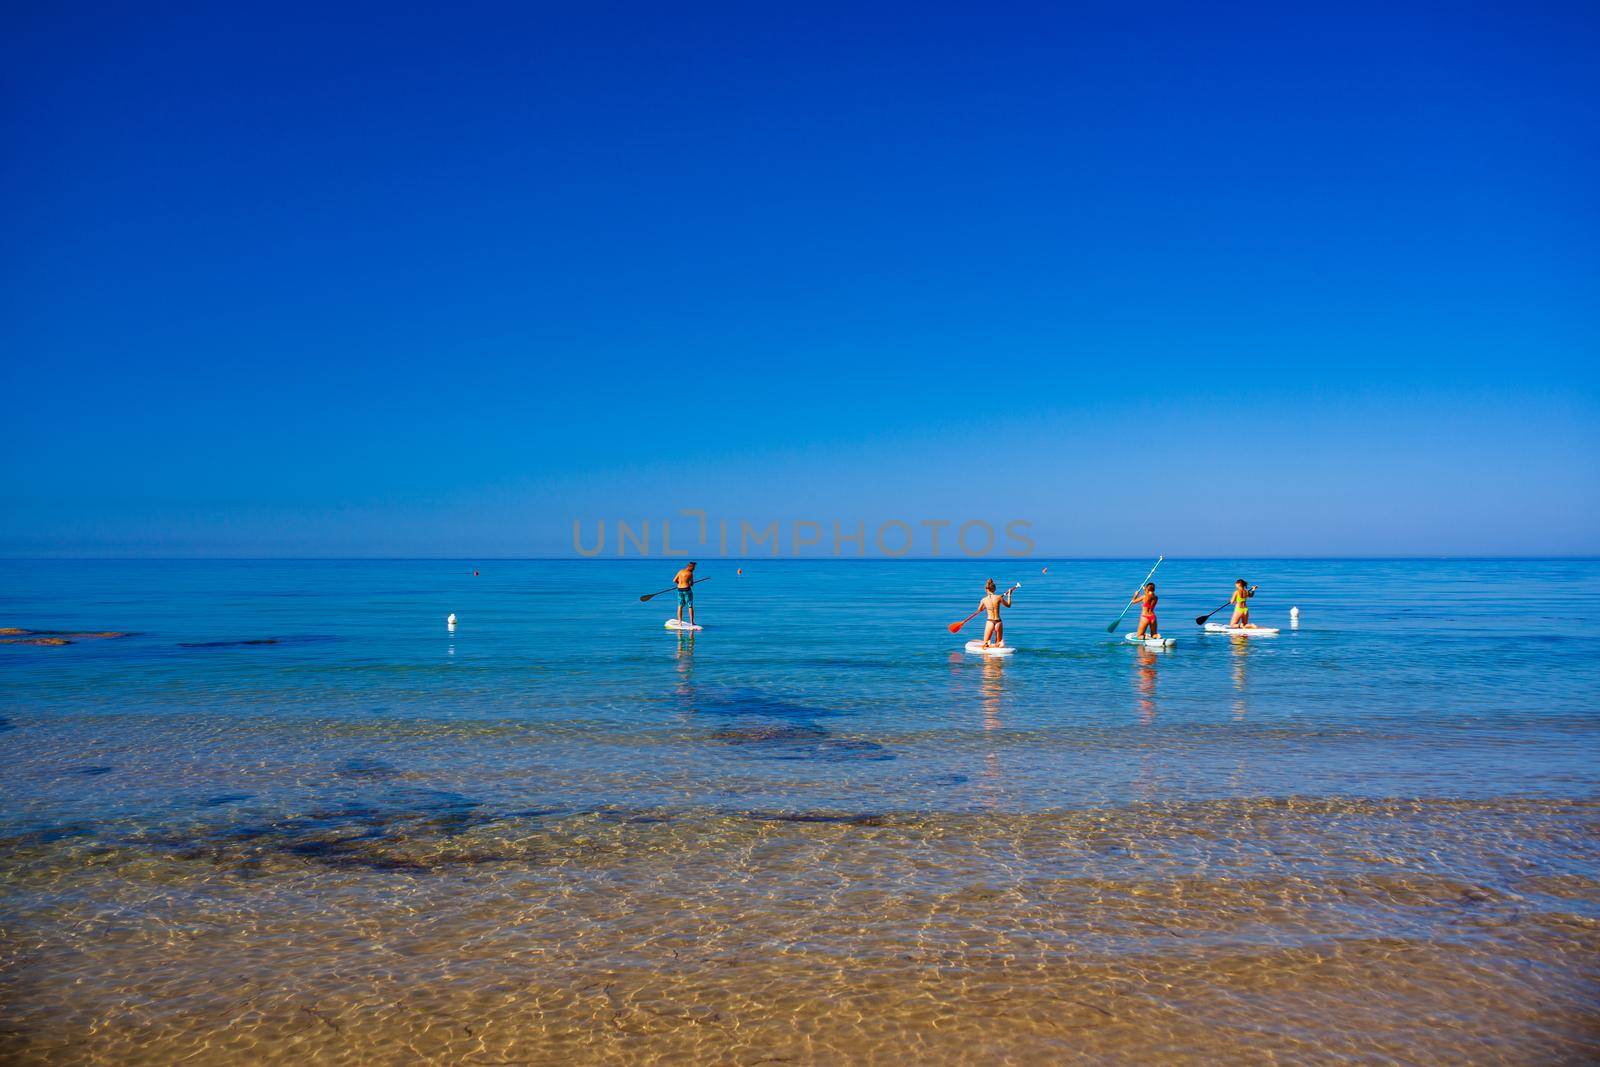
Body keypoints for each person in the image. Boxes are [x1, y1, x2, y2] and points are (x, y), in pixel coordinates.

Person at [978, 578, 1013, 649]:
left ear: (986, 590)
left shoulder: (984, 600)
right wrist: (1009, 595)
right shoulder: (999, 597)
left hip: (990, 621)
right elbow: (1008, 605)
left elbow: (979, 610)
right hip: (998, 622)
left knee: (985, 644)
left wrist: (985, 606)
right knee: (998, 643)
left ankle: (988, 646)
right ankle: (998, 659)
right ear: (994, 589)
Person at [673, 561, 698, 627]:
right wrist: (691, 583)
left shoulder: (680, 571)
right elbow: (691, 584)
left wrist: (680, 584)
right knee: (690, 605)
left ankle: (680, 622)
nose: (694, 569)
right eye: (694, 567)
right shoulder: (690, 573)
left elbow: (674, 580)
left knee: (680, 606)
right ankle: (692, 623)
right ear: (690, 567)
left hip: (679, 590)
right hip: (687, 590)